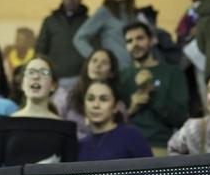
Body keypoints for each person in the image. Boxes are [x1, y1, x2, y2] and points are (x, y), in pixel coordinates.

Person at [0, 56, 78, 167]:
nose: (36, 76)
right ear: (22, 83)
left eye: (44, 72)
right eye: (31, 72)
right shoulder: (4, 124)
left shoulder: (66, 128)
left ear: (53, 85)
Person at [117, 21, 189, 154]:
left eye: (140, 38)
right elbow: (113, 121)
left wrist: (151, 92)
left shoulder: (172, 73)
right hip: (125, 148)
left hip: (161, 146)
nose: (135, 44)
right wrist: (131, 108)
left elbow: (181, 118)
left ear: (152, 40)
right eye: (129, 41)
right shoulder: (121, 77)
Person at [74, 0, 142, 69]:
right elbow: (79, 39)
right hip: (115, 71)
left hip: (136, 70)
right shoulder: (104, 12)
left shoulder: (135, 15)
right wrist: (97, 59)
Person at [76, 78, 152, 161]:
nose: (96, 105)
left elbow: (151, 171)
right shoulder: (80, 144)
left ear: (115, 106)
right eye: (90, 99)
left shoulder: (131, 135)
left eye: (103, 99)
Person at [35, 0, 88, 85]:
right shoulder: (50, 22)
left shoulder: (89, 22)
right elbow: (40, 51)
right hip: (55, 80)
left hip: (81, 80)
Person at [56, 48, 117, 137]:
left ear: (111, 73)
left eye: (104, 63)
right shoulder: (68, 95)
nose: (97, 65)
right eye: (94, 61)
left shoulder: (116, 105)